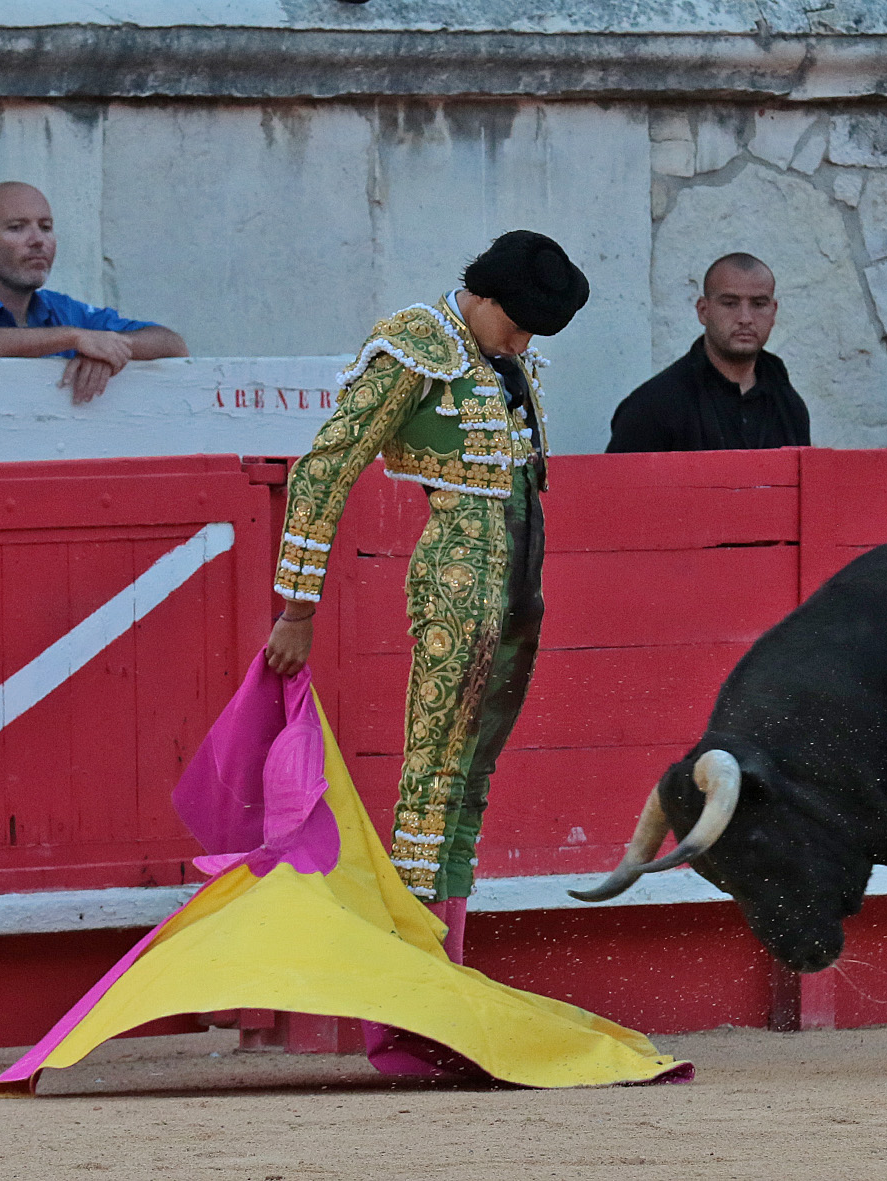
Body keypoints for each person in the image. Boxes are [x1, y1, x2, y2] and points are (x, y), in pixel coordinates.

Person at [262, 229, 589, 963]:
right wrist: (298, 608)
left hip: (518, 587)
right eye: (518, 322)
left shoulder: (502, 353)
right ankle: (418, 972)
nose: (524, 339)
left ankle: (448, 963)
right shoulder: (416, 345)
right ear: (485, 296)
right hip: (459, 585)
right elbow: (325, 466)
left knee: (471, 778)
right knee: (433, 780)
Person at [0, 182, 187, 400]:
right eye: (17, 227)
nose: (37, 240)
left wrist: (109, 349)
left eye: (45, 227)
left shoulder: (61, 310)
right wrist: (73, 339)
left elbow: (172, 343)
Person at [607, 253, 809, 451]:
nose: (745, 318)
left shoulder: (789, 407)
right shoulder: (652, 408)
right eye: (730, 303)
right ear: (703, 311)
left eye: (758, 304)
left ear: (773, 311)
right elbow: (619, 484)